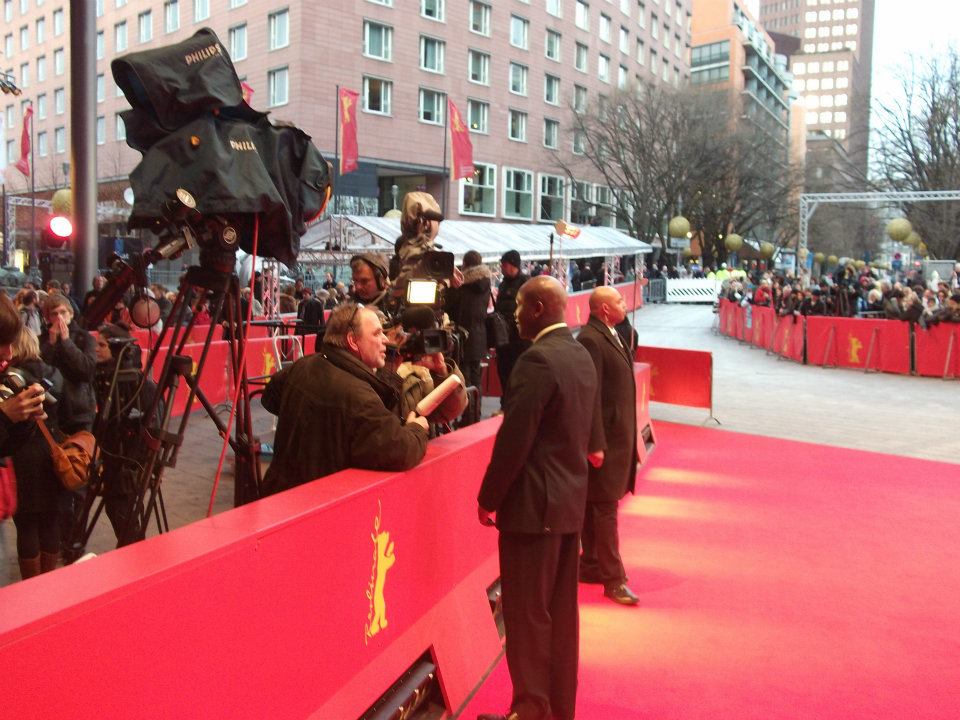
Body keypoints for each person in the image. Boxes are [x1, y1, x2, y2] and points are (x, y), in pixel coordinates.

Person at [476, 276, 599, 720]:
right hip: (567, 505)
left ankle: (531, 710)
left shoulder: (537, 361)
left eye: (519, 306)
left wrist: (488, 497)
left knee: (527, 619)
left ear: (537, 309)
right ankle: (554, 709)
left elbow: (515, 439)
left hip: (533, 510)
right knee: (561, 618)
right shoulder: (580, 353)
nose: (512, 314)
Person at [260, 303, 430, 496]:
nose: (385, 339)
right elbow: (401, 451)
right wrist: (417, 429)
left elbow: (270, 399)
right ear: (352, 340)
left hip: (278, 496)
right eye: (376, 334)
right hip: (319, 507)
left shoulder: (303, 365)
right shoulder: (359, 398)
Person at [576, 287, 640, 605]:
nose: (624, 304)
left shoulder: (612, 332)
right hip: (605, 441)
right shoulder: (590, 339)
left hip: (616, 438)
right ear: (603, 308)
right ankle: (614, 579)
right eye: (618, 301)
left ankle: (590, 564)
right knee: (604, 509)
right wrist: (595, 442)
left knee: (596, 505)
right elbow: (591, 394)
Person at [1, 321, 65, 580]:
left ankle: (34, 583)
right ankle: (46, 584)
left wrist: (10, 418)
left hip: (24, 461)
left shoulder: (10, 378)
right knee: (49, 520)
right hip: (50, 454)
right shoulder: (54, 372)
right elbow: (73, 412)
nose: (6, 352)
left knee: (27, 524)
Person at [443, 250, 491, 391]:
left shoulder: (462, 286)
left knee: (464, 377)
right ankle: (475, 412)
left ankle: (467, 411)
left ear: (464, 264)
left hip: (463, 336)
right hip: (480, 336)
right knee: (476, 377)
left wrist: (450, 288)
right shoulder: (485, 284)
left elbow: (449, 306)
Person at [493, 250, 530, 410]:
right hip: (503, 339)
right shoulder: (503, 283)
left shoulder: (526, 284)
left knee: (519, 373)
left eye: (504, 263)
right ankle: (505, 403)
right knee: (504, 372)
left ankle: (518, 405)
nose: (501, 266)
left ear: (512, 264)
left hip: (520, 340)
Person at [296, 286, 326, 353]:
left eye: (305, 294)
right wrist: (296, 330)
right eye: (303, 294)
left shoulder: (317, 303)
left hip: (313, 329)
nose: (304, 296)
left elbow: (322, 318)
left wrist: (322, 330)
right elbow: (298, 317)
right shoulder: (301, 304)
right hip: (302, 328)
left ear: (310, 294)